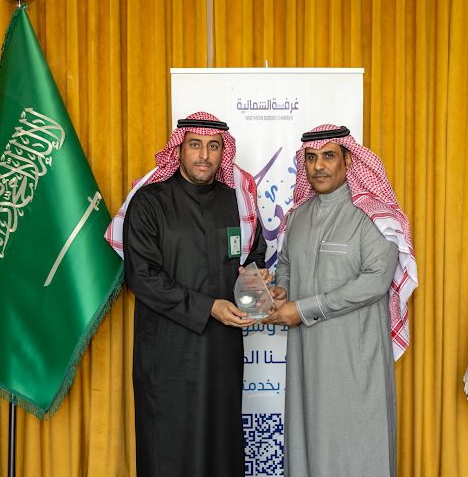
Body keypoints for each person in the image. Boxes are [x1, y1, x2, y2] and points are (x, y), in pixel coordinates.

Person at [107, 112, 267, 476]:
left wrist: (257, 284)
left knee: (220, 447)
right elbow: (142, 277)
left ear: (223, 152)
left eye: (213, 147)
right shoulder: (150, 202)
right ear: (179, 149)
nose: (204, 156)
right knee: (169, 449)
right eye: (195, 145)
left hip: (222, 352)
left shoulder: (238, 203)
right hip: (167, 355)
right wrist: (208, 307)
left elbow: (254, 258)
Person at [263, 124, 418, 477]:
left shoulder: (374, 216)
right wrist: (282, 290)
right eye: (311, 158)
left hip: (353, 356)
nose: (318, 166)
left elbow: (375, 282)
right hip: (305, 356)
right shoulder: (298, 215)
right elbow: (285, 262)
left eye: (328, 156)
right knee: (308, 438)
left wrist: (302, 309)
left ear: (348, 161)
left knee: (356, 442)